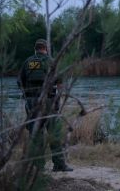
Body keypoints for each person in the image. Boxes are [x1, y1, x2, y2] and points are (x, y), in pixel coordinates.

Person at [18, 39, 73, 172]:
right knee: (54, 132)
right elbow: (60, 85)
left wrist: (29, 97)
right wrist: (57, 100)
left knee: (36, 134)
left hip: (32, 102)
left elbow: (20, 83)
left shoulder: (27, 62)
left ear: (35, 49)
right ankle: (59, 164)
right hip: (49, 102)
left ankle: (38, 166)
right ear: (46, 49)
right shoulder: (51, 61)